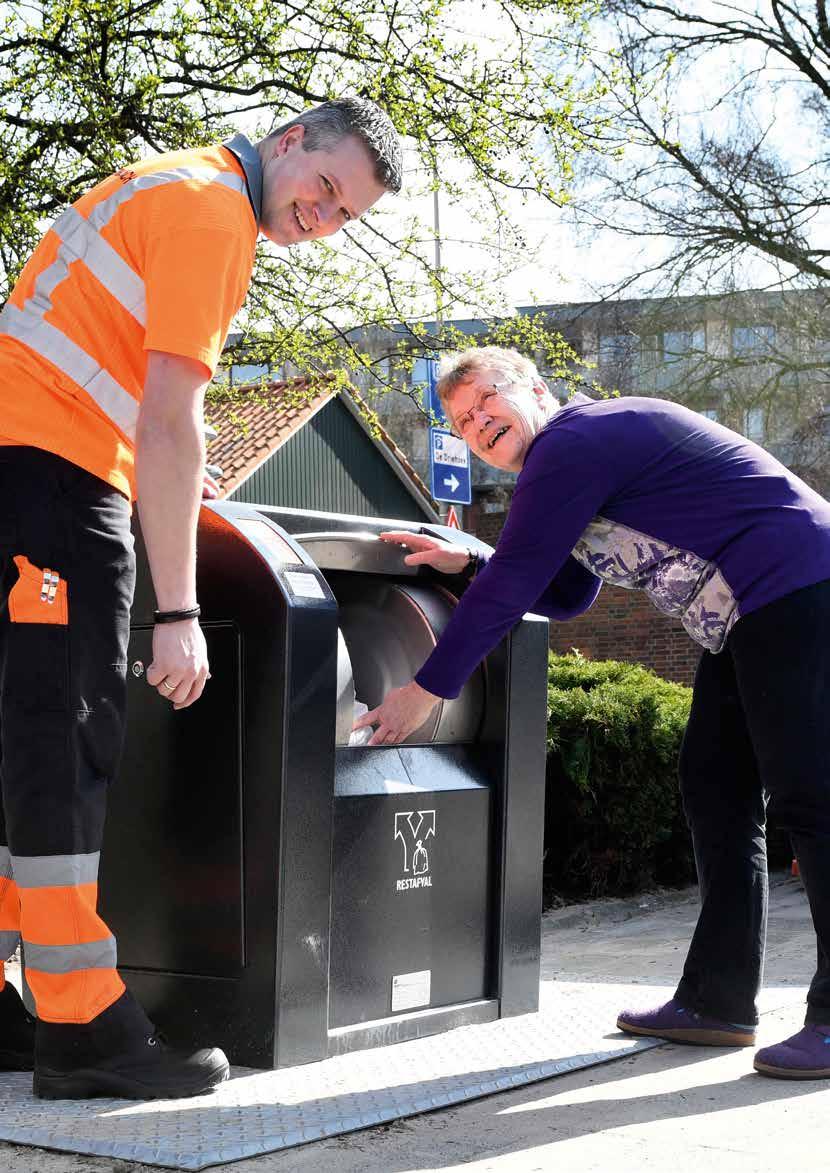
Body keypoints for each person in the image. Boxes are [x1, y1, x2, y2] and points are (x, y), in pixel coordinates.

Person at [0, 98, 402, 1100]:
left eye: (345, 214)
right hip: (56, 485)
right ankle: (84, 1022)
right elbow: (174, 413)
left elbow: (113, 379)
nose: (324, 216)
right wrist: (178, 613)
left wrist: (154, 467)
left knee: (22, 746)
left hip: (30, 472)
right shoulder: (216, 213)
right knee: (65, 744)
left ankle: (22, 999)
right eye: (324, 187)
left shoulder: (161, 182)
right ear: (286, 143)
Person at [354, 344, 830, 1081]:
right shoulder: (571, 467)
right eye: (464, 421)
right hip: (744, 614)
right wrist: (471, 564)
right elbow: (569, 593)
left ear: (536, 390)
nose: (480, 424)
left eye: (488, 403)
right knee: (716, 791)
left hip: (797, 588)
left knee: (810, 797)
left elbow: (518, 579)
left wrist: (427, 687)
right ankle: (718, 999)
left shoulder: (575, 442)